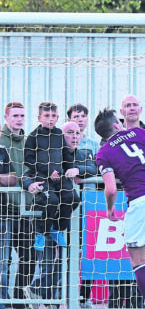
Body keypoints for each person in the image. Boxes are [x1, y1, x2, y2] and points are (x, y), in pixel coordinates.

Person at [94, 108, 145, 309]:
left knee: (137, 260)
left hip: (141, 200)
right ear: (117, 124)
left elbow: (110, 189)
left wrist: (110, 209)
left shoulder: (103, 153)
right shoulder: (139, 132)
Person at [23, 102, 79, 251]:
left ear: (58, 117)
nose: (50, 119)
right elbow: (28, 159)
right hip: (42, 176)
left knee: (72, 198)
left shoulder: (59, 134)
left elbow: (66, 155)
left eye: (53, 116)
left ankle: (57, 228)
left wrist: (71, 168)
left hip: (59, 176)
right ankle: (41, 233)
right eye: (47, 116)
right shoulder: (33, 136)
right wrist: (48, 172)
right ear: (39, 117)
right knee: (51, 200)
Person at [61, 121, 100, 309]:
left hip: (85, 215)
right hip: (62, 213)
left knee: (88, 255)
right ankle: (62, 300)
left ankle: (83, 299)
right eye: (70, 132)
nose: (75, 136)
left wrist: (79, 170)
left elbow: (94, 169)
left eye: (77, 133)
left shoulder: (85, 154)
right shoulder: (55, 154)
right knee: (64, 257)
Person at [0, 102, 35, 309]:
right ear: (6, 117)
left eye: (22, 115)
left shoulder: (29, 141)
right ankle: (2, 301)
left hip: (26, 209)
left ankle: (19, 299)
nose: (19, 119)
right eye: (15, 115)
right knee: (3, 259)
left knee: (29, 256)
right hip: (4, 208)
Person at [0, 130, 17, 309]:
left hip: (3, 214)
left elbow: (12, 179)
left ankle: (2, 302)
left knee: (3, 261)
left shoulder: (2, 151)